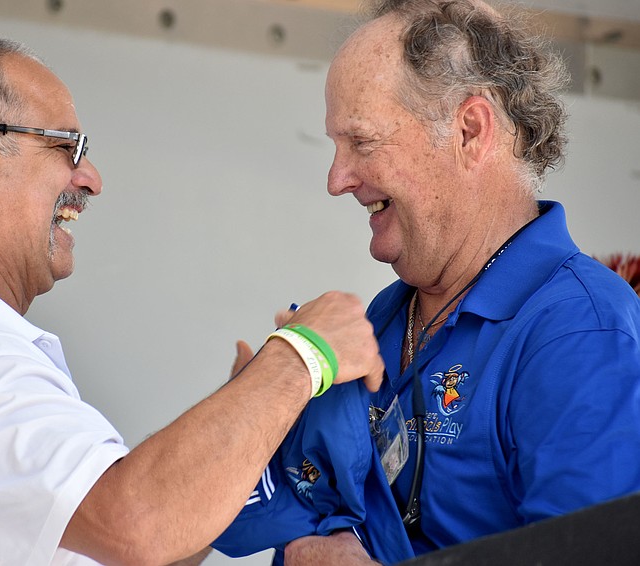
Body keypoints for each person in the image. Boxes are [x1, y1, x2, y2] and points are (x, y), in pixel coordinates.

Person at [0, 36, 387, 566]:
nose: (91, 178)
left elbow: (141, 550)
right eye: (67, 146)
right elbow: (139, 525)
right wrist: (300, 356)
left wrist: (254, 416)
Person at [214, 0, 640, 563]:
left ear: (469, 130)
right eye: (334, 147)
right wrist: (249, 419)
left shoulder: (578, 329)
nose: (336, 179)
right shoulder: (381, 319)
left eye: (361, 142)